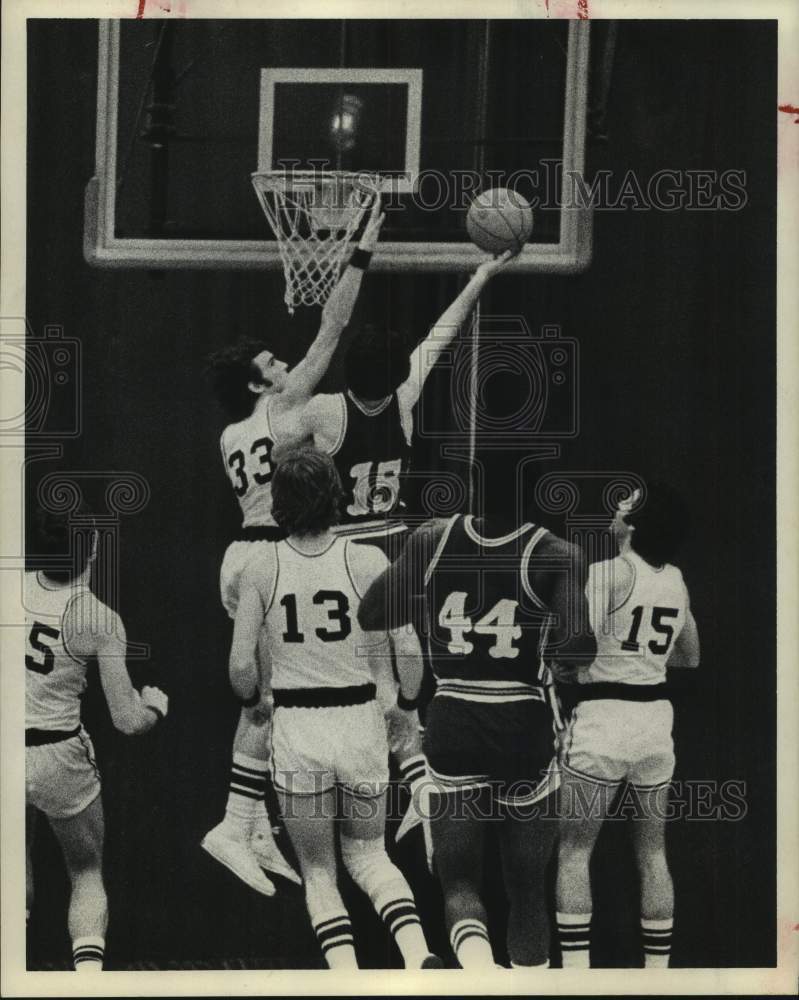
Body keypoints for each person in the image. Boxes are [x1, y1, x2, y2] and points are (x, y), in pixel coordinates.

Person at [271, 250, 518, 859]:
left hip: (347, 552)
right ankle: (419, 786)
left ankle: (314, 800)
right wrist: (479, 278)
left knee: (352, 682)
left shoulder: (327, 410)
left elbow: (277, 438)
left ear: (348, 370)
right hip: (398, 548)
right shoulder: (404, 398)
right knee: (394, 681)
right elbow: (440, 336)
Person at [202, 195, 385, 895]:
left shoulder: (230, 435)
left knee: (270, 694)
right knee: (266, 696)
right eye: (273, 361)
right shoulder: (280, 410)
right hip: (267, 554)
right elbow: (332, 328)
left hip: (242, 551)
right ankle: (233, 822)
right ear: (259, 383)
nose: (286, 363)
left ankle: (250, 823)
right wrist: (360, 251)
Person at [229, 447, 442, 969]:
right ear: (335, 496)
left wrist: (254, 703)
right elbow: (409, 650)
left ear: (278, 501)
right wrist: (406, 705)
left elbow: (239, 666)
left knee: (320, 873)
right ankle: (419, 955)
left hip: (299, 726)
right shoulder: (367, 560)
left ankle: (346, 976)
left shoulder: (260, 565)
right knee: (370, 855)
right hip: (359, 720)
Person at [358, 510, 596, 969]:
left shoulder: (434, 539)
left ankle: (481, 973)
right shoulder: (555, 551)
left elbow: (371, 614)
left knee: (459, 883)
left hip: (455, 718)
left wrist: (424, 587)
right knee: (527, 888)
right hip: (522, 722)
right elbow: (578, 651)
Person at [555, 482, 700, 969]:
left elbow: (576, 648)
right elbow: (690, 656)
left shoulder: (606, 573)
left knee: (575, 852)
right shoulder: (676, 579)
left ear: (635, 523)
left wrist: (566, 666)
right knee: (653, 854)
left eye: (627, 503)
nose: (617, 506)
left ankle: (576, 977)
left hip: (604, 718)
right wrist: (641, 659)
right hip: (655, 722)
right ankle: (657, 976)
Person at [25, 506, 169, 972]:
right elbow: (127, 721)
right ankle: (88, 982)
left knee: (11, 865)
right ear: (90, 553)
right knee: (86, 872)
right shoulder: (97, 618)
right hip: (57, 751)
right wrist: (155, 706)